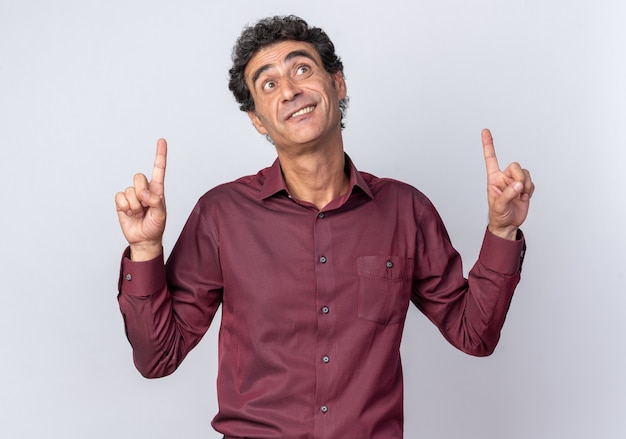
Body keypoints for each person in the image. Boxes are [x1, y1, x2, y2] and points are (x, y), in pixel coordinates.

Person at [115, 15, 534, 439]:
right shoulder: (221, 215)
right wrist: (146, 249)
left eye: (301, 69)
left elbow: (474, 334)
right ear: (257, 119)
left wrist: (501, 230)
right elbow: (158, 358)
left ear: (338, 84)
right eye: (269, 84)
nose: (291, 90)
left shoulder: (405, 210)